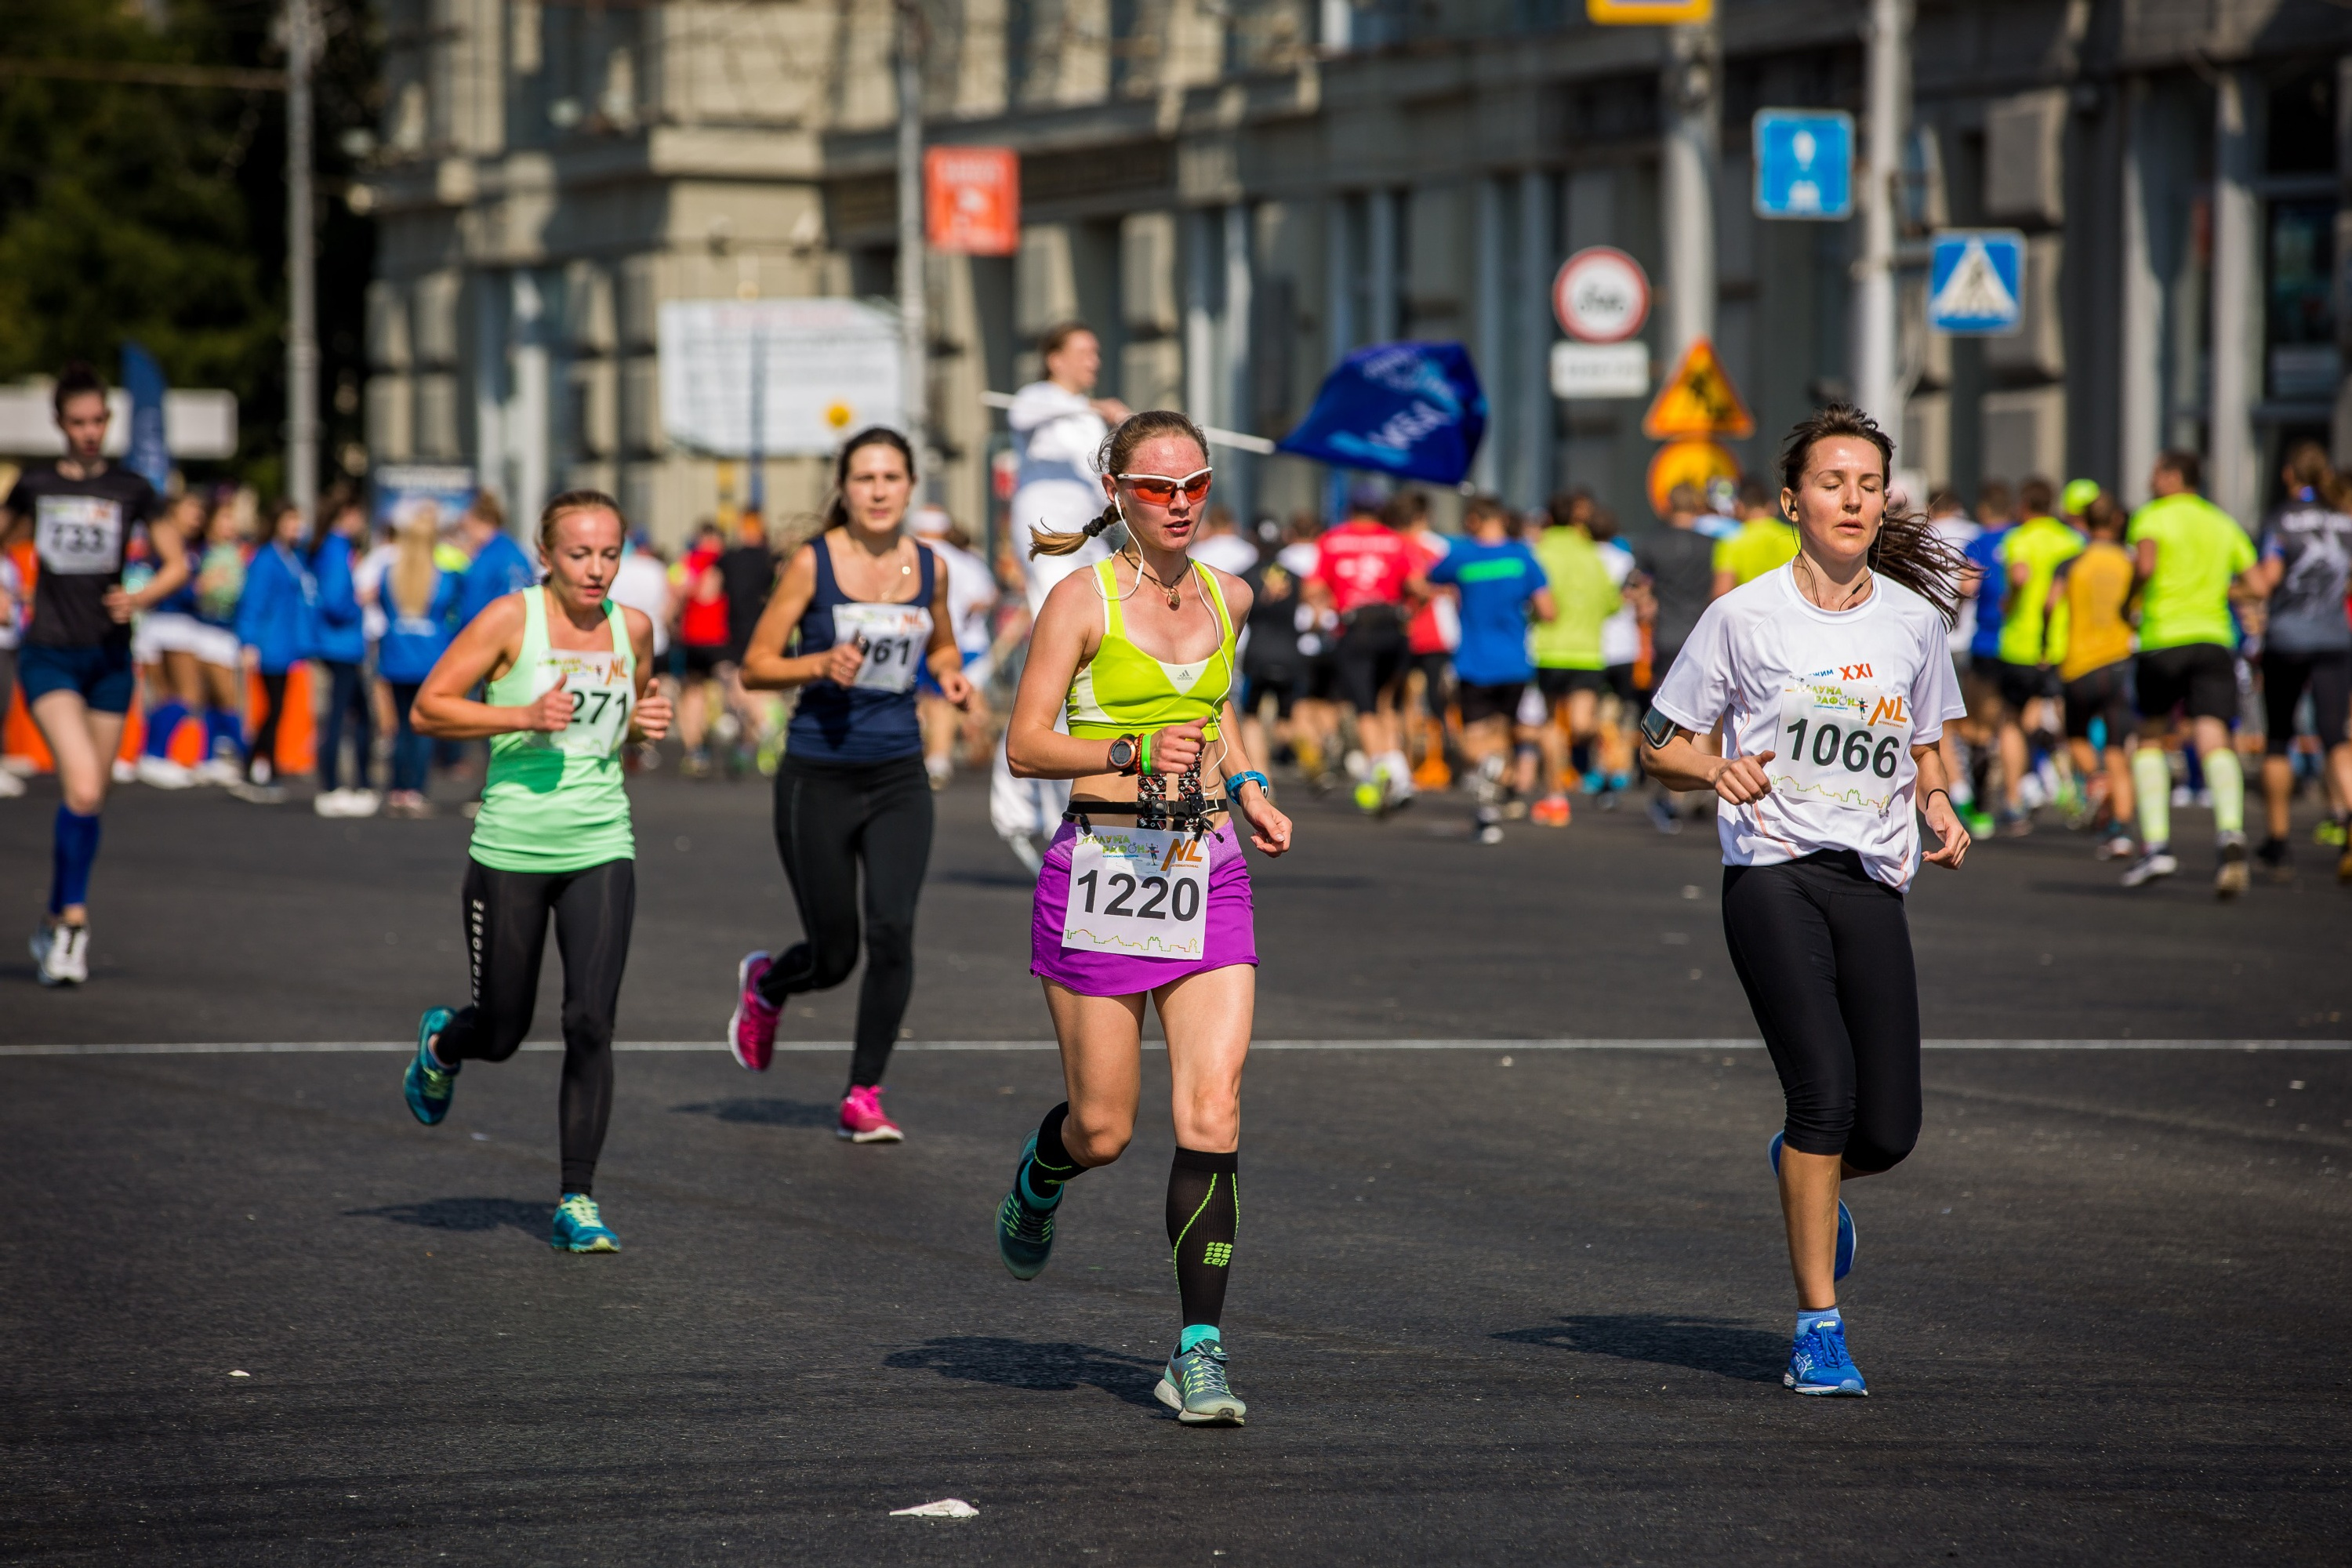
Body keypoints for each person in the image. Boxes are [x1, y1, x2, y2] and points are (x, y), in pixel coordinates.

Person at [1638, 403, 1970, 1398]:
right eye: (1833, 482)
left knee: (1887, 1130)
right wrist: (1715, 771)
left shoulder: (1913, 620)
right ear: (1793, 502)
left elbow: (1924, 741)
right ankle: (1818, 1326)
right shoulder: (1743, 615)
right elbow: (1656, 742)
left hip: (1872, 879)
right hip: (1772, 876)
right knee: (1824, 1089)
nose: (1853, 499)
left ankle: (1807, 1172)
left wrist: (1943, 803)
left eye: (1869, 484)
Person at [993, 408, 1294, 1427]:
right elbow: (1027, 746)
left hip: (1205, 869)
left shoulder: (1231, 594)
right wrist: (1124, 754)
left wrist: (1247, 785)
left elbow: (1215, 713)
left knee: (1212, 1111)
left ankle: (1197, 1350)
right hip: (1104, 872)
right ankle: (1043, 1173)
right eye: (1156, 487)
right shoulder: (1081, 603)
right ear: (1116, 489)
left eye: (1194, 484)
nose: (1178, 504)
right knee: (1106, 1128)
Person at [402, 490, 672, 1254]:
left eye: (610, 552)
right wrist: (521, 715)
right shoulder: (507, 619)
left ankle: (577, 1197)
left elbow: (625, 732)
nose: (597, 569)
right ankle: (443, 1046)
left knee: (592, 1020)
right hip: (511, 847)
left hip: (601, 841)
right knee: (503, 1029)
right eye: (580, 553)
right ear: (546, 554)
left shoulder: (635, 629)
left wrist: (645, 727)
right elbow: (429, 709)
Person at [727, 428, 973, 1143]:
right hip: (819, 772)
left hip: (898, 771)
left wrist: (951, 672)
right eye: (863, 478)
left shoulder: (932, 566)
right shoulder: (812, 564)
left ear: (909, 486)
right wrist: (816, 665)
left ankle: (864, 1091)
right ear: (844, 486)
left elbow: (941, 640)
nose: (876, 490)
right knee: (834, 956)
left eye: (890, 477)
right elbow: (755, 666)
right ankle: (769, 983)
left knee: (893, 932)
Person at [11, 364, 183, 984]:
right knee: (81, 787)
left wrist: (141, 597)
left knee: (94, 796)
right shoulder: (33, 485)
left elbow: (175, 563)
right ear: (60, 423)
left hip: (110, 658)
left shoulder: (131, 488)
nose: (89, 432)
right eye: (78, 422)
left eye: (98, 421)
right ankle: (74, 926)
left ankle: (53, 916)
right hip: (51, 652)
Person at [993, 322, 1131, 863]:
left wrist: (1124, 425)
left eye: (1097, 351)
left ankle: (1064, 800)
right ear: (1053, 358)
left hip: (1087, 544)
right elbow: (1020, 415)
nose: (1094, 360)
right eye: (1084, 351)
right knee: (1056, 658)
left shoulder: (1087, 418)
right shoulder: (1040, 399)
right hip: (1047, 538)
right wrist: (1091, 408)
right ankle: (1024, 810)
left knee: (1088, 664)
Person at [2121, 450, 2262, 895]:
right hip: (2215, 639)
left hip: (2164, 638)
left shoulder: (2152, 517)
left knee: (2149, 736)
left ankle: (2158, 847)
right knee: (2214, 737)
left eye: (2155, 471)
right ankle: (2230, 831)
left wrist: (2129, 601)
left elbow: (2144, 565)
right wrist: (2223, 587)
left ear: (2173, 476)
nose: (2149, 479)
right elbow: (2257, 585)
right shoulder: (2222, 522)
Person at [2248, 441, 2352, 880]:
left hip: (2288, 638)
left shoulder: (2281, 519)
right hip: (2335, 638)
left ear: (2289, 474)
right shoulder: (2344, 519)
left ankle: (2278, 841)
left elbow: (2267, 581)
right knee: (2335, 734)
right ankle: (2349, 818)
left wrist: (2238, 590)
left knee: (2279, 738)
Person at [1429, 495, 1552, 843]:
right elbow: (1548, 609)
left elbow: (1424, 581)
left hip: (1473, 660)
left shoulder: (1463, 555)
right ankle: (1494, 783)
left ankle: (1486, 789)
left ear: (1473, 520)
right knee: (1503, 731)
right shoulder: (1523, 556)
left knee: (1473, 737)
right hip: (1515, 661)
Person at [1310, 488, 1427, 815]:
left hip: (1356, 629)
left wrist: (1327, 606)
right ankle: (1401, 775)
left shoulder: (1332, 540)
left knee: (1364, 708)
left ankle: (1382, 773)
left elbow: (1313, 589)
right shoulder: (1395, 541)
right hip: (1392, 627)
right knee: (1387, 703)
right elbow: (1419, 586)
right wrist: (1412, 612)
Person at [1988, 477, 2082, 835]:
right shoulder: (2071, 540)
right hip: (2061, 645)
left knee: (2011, 723)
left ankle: (2014, 803)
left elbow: (2020, 576)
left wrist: (2009, 599)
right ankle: (2071, 793)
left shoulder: (2019, 539)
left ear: (2025, 505)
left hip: (2020, 645)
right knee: (2062, 720)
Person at [2048, 495, 2139, 861]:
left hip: (2079, 665)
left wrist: (2044, 642)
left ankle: (2095, 778)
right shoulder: (2129, 562)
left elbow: (2050, 604)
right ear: (2118, 521)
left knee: (2075, 735)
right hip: (2119, 663)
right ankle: (2121, 830)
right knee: (2119, 746)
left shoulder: (2072, 563)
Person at [1632, 482, 1719, 834]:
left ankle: (1676, 795)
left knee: (1673, 714)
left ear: (1667, 506)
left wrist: (1643, 609)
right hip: (1704, 634)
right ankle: (1707, 784)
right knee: (1708, 713)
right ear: (1698, 507)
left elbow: (1636, 586)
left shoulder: (1651, 543)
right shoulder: (1713, 545)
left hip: (1668, 635)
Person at [1530, 491, 1621, 827]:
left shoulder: (1541, 551)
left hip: (1550, 648)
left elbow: (1530, 598)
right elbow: (1613, 603)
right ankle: (1611, 750)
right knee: (1582, 724)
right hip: (1587, 650)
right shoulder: (1592, 554)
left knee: (1552, 724)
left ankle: (1555, 797)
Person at [376, 506, 464, 818]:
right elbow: (453, 615)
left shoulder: (390, 573)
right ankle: (415, 789)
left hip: (396, 657)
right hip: (428, 660)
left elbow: (382, 608)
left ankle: (397, 788)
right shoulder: (443, 578)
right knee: (422, 727)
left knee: (399, 727)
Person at [230, 499, 318, 804]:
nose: (298, 528)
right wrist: (248, 641)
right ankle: (257, 768)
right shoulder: (266, 559)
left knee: (277, 710)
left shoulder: (294, 556)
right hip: (270, 644)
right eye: (291, 521)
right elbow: (253, 602)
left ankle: (262, 766)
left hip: (287, 644)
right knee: (271, 710)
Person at [912, 505, 1000, 787]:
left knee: (937, 701)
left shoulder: (914, 558)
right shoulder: (965, 559)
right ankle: (979, 738)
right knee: (966, 700)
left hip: (933, 642)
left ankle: (937, 759)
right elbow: (987, 595)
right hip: (969, 642)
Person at [310, 491, 379, 816]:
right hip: (342, 645)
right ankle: (335, 785)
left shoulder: (330, 546)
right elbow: (336, 602)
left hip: (339, 644)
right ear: (348, 514)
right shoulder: (337, 549)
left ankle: (348, 783)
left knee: (351, 716)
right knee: (346, 718)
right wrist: (360, 600)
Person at [188, 495, 253, 784]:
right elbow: (201, 590)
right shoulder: (203, 553)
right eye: (224, 518)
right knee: (221, 698)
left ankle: (219, 757)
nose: (230, 524)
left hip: (228, 631)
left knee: (222, 697)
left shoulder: (239, 553)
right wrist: (203, 587)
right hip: (208, 629)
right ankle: (240, 757)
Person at [716, 508, 782, 771]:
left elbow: (710, 591)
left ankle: (762, 729)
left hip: (736, 630)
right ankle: (757, 737)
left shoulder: (729, 558)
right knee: (767, 686)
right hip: (769, 628)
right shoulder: (771, 558)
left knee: (739, 689)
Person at [673, 520, 731, 776]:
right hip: (721, 637)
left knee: (691, 693)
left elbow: (676, 592)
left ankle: (694, 749)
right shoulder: (728, 561)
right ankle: (727, 727)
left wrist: (673, 619)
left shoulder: (689, 561)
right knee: (720, 687)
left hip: (694, 635)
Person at [1710, 477, 1800, 598]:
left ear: (1739, 508)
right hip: (1790, 614)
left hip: (1748, 615)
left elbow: (1721, 593)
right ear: (1772, 506)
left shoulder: (1732, 542)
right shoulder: (1796, 537)